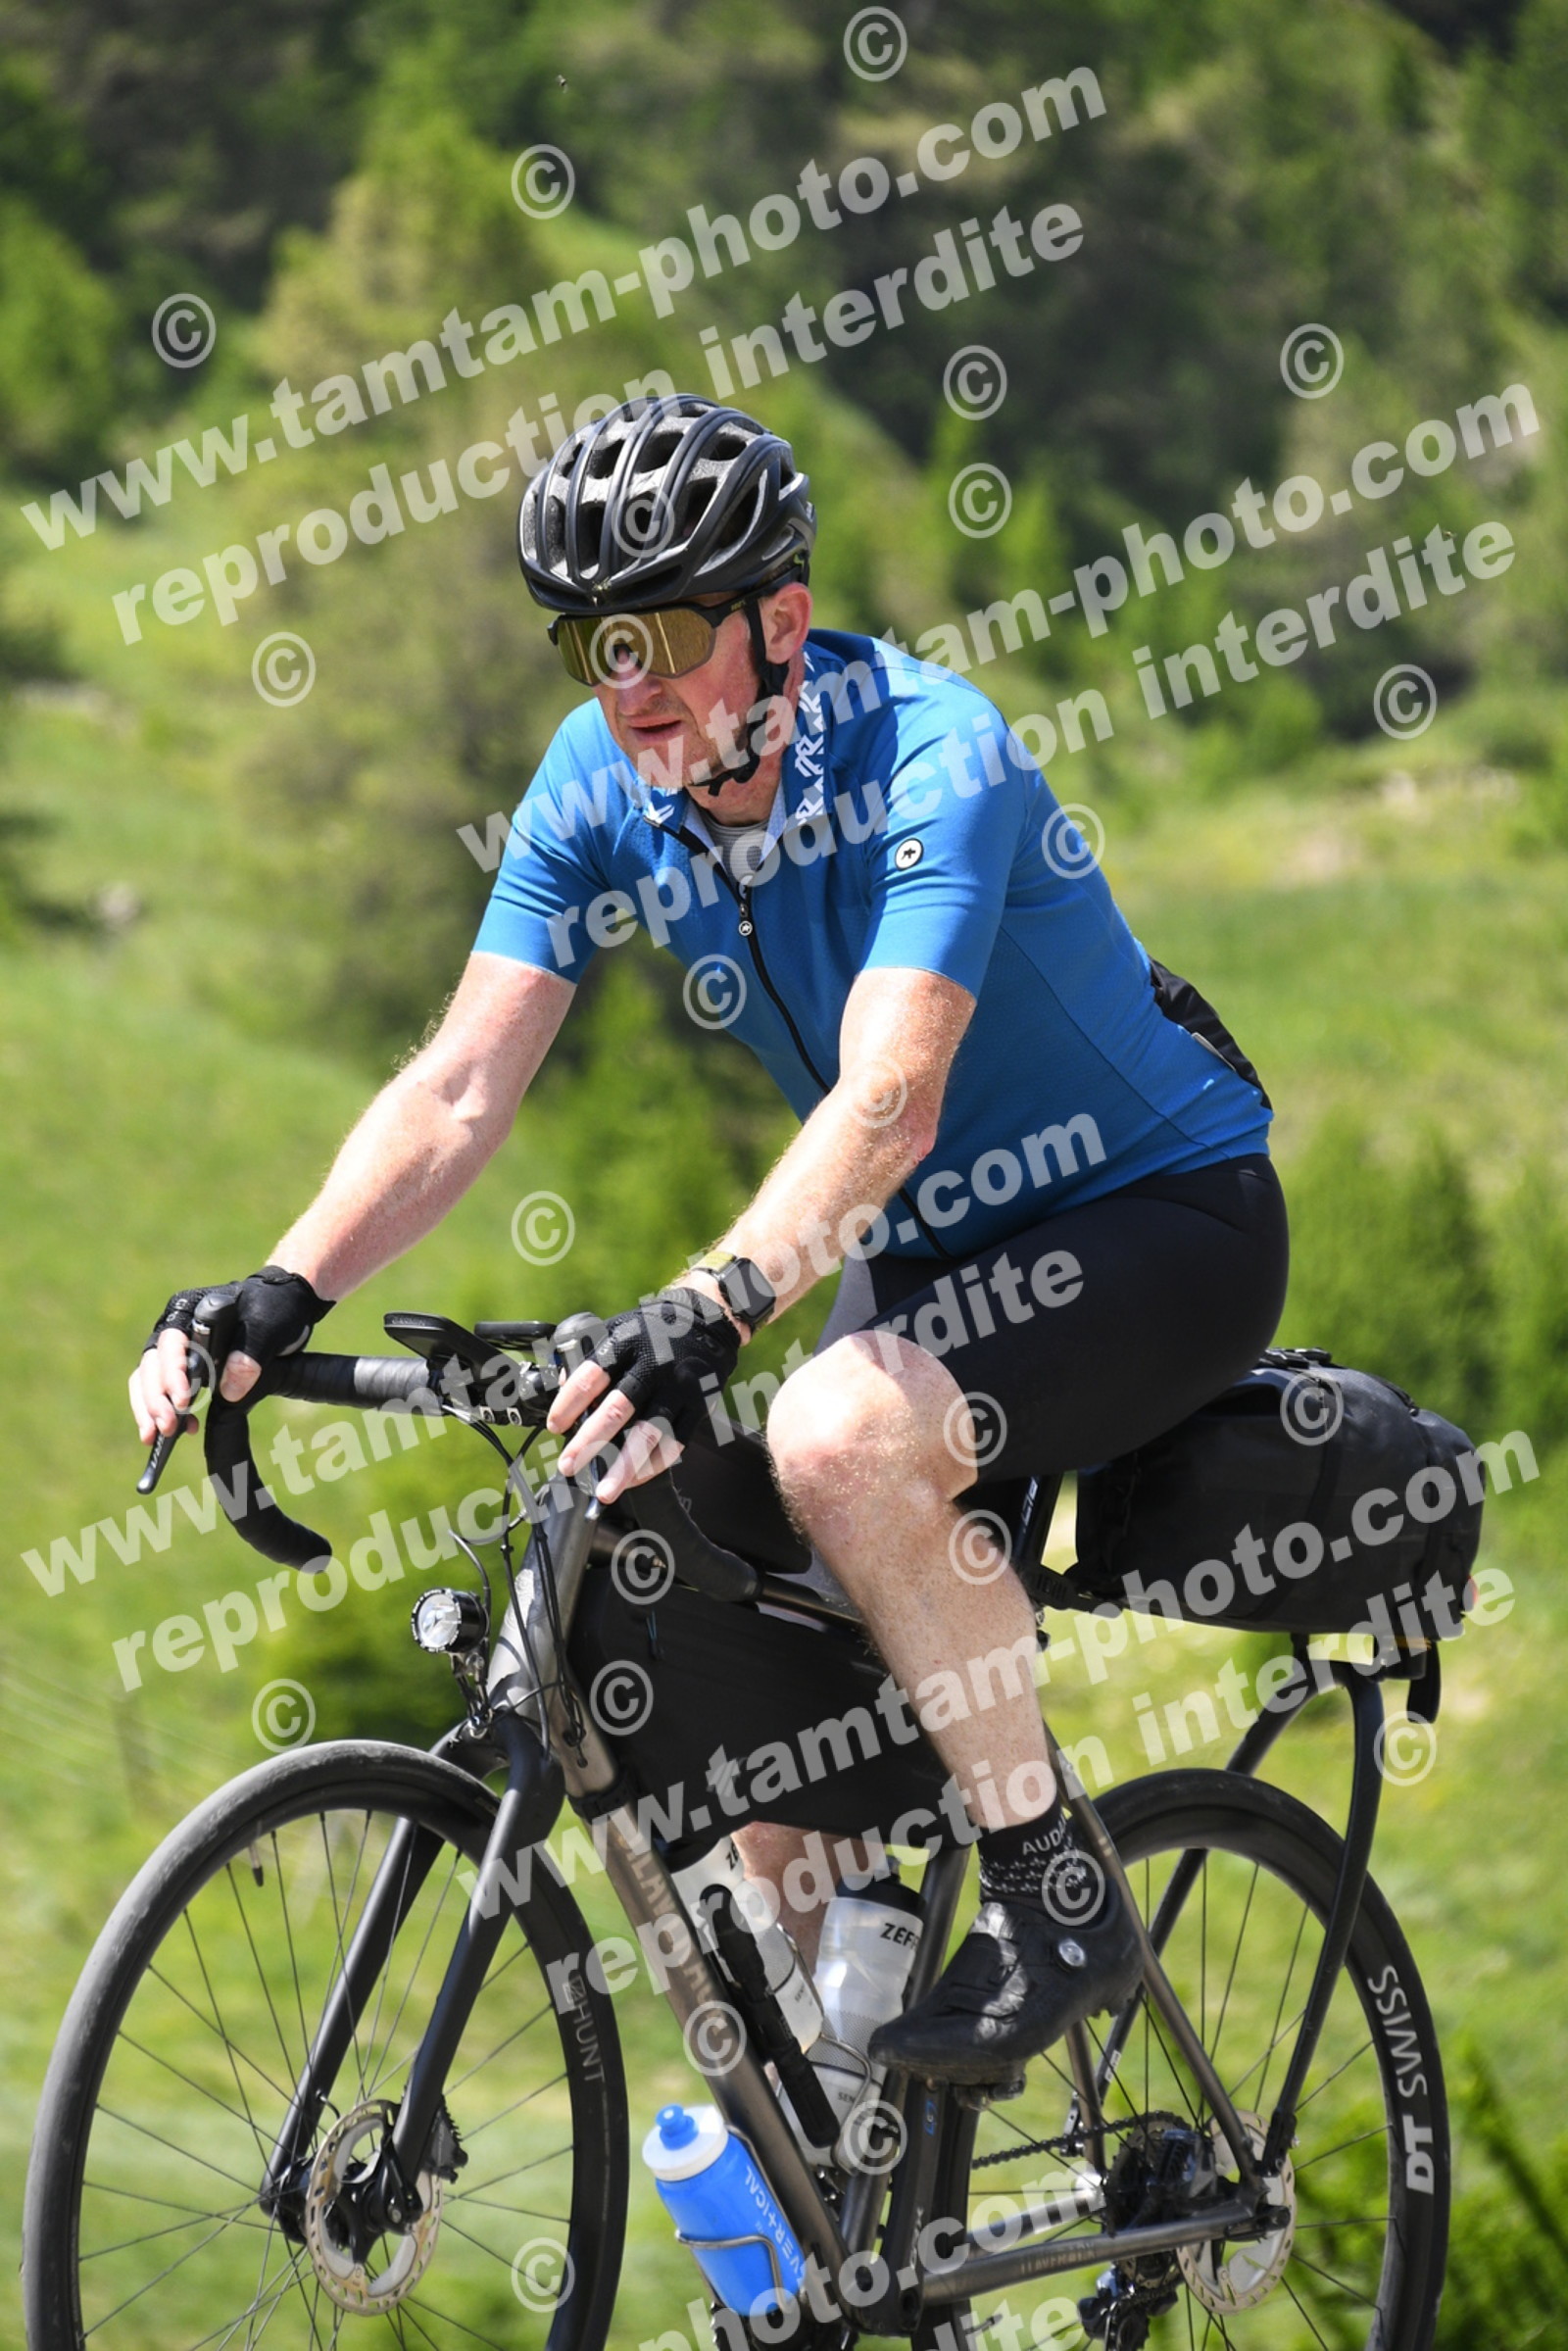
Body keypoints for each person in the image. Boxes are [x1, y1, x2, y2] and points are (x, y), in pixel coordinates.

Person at [129, 394, 1287, 2085]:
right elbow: (458, 1085)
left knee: (834, 1437)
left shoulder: (934, 756)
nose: (631, 685)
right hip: (924, 1249)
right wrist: (286, 1284)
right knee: (733, 1662)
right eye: (594, 644)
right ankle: (847, 2149)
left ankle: (1057, 1895)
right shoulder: (598, 780)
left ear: (782, 623)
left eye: (667, 635)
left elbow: (888, 1101)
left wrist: (717, 1300)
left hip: (1160, 1221)